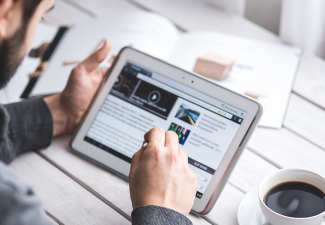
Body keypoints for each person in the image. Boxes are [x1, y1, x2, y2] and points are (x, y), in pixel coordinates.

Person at [0, 0, 198, 224]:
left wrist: (61, 112)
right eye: (41, 15)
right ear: (6, 10)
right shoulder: (12, 204)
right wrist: (164, 212)